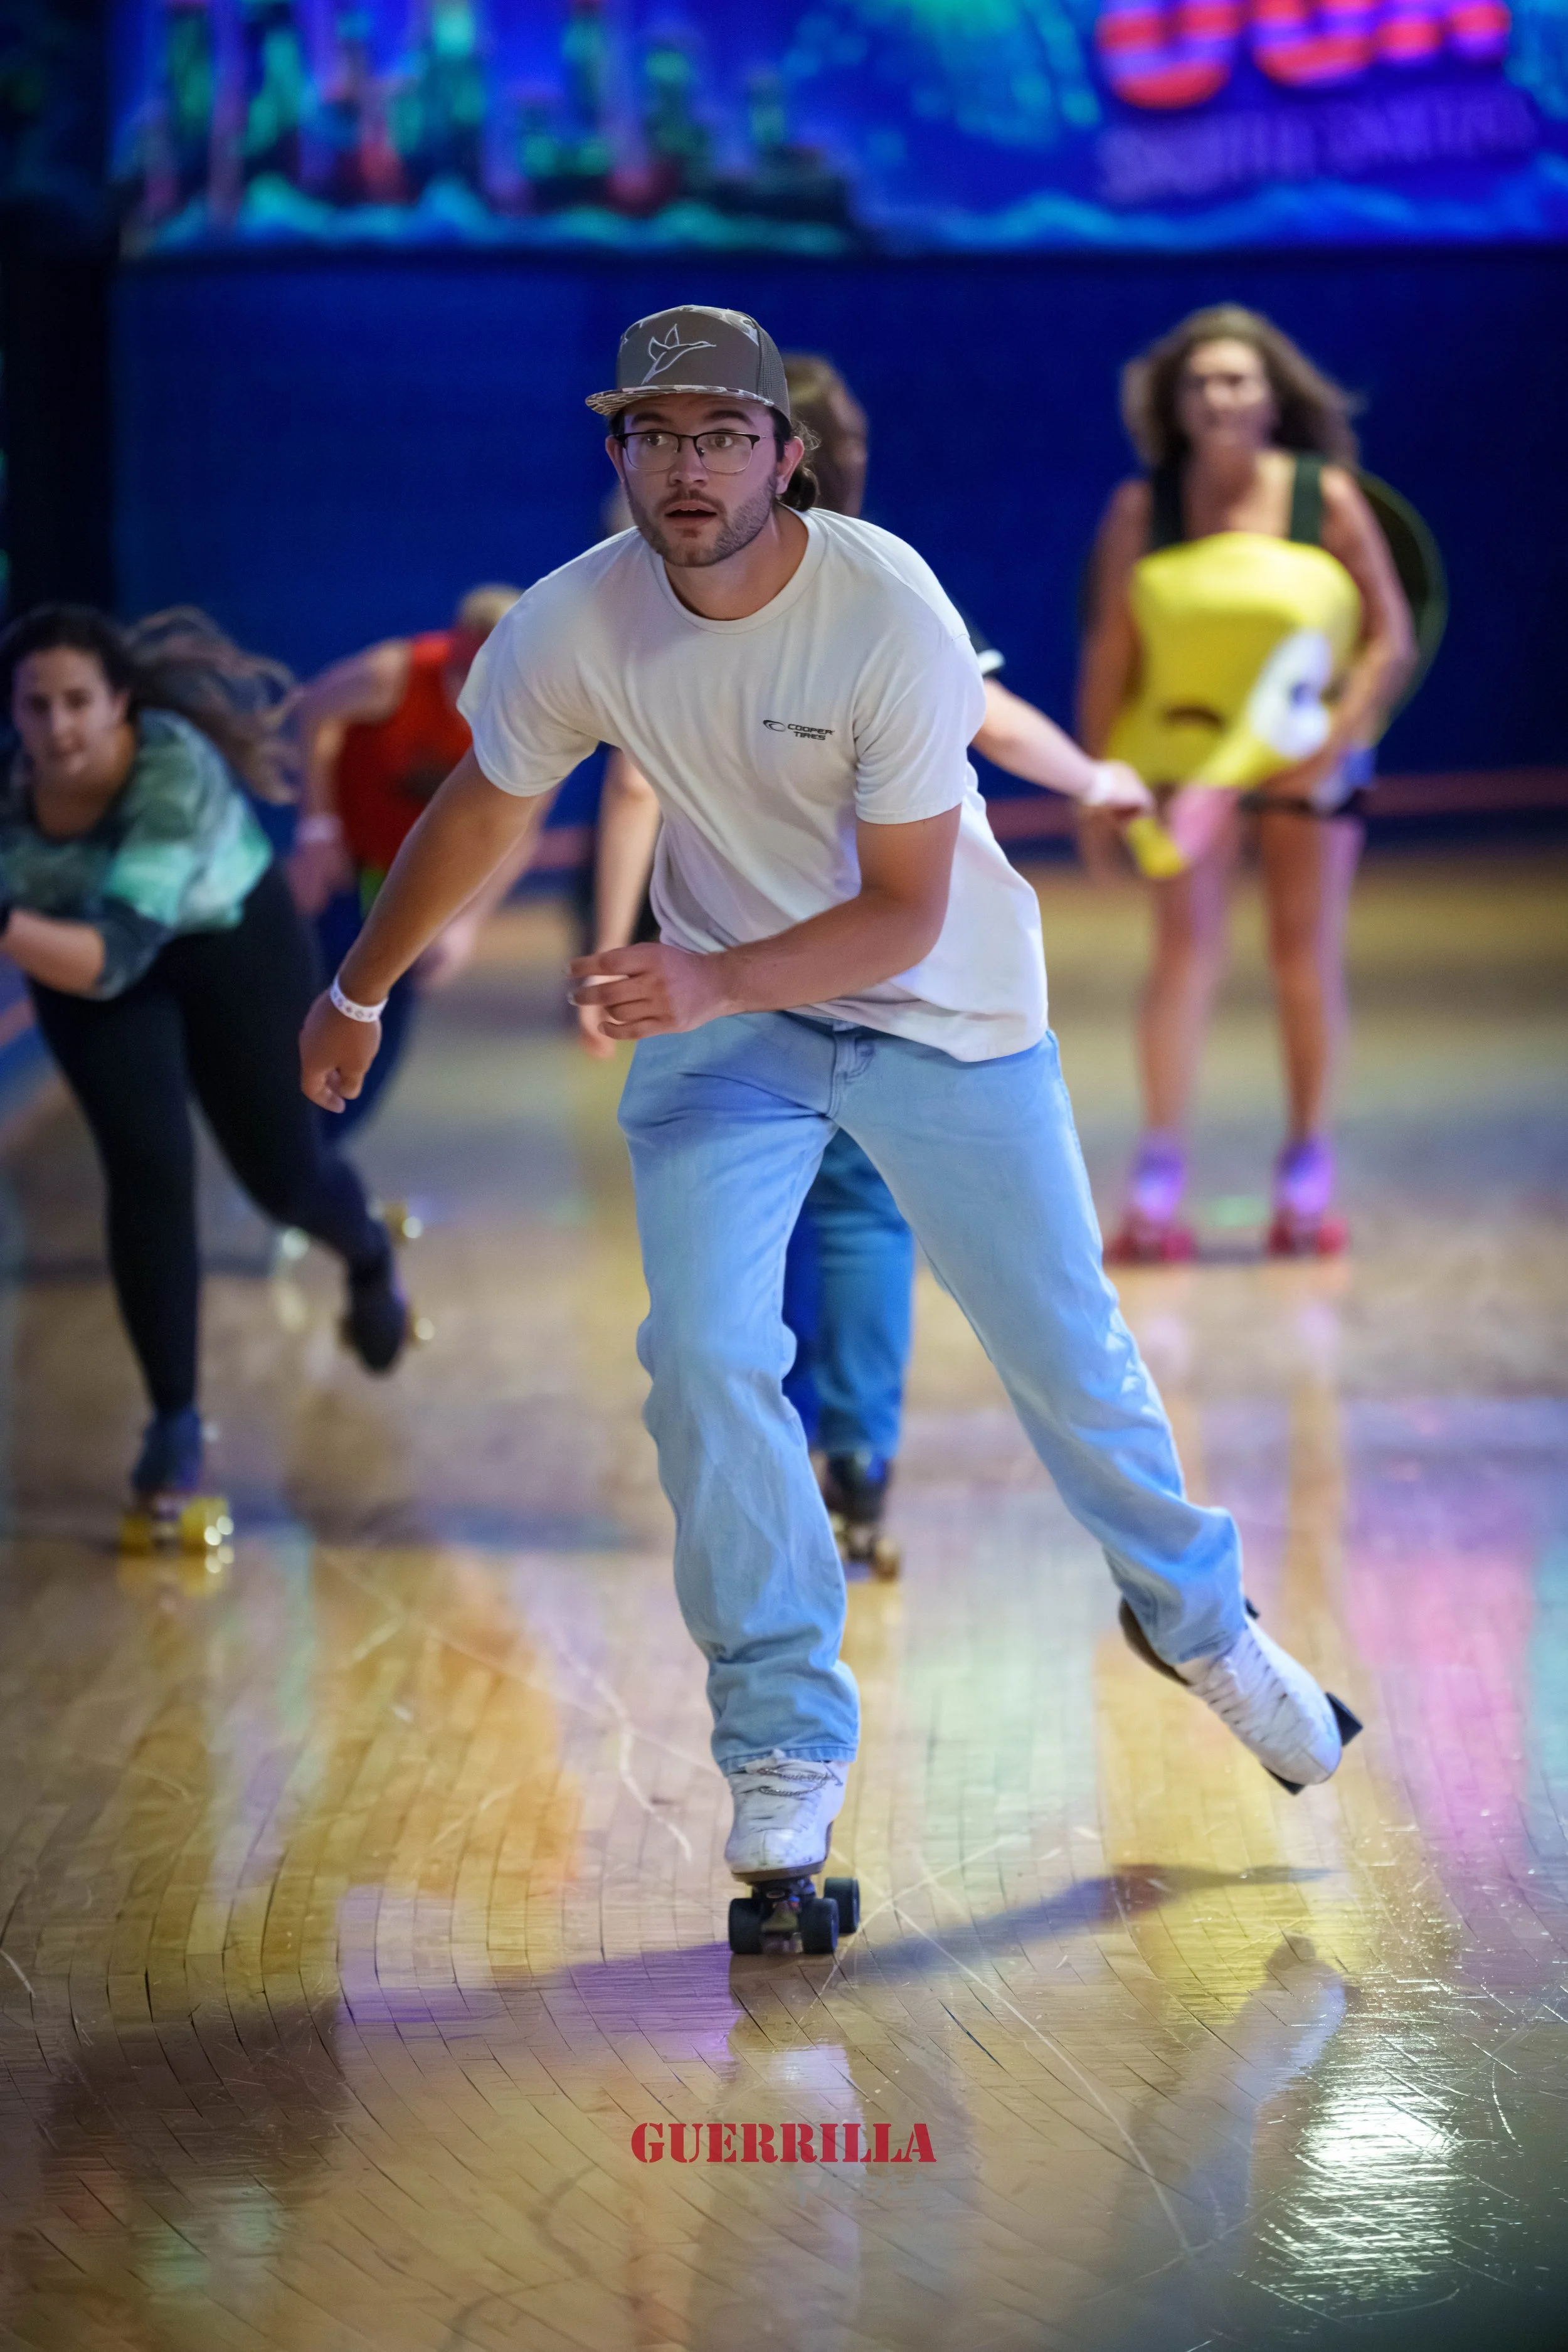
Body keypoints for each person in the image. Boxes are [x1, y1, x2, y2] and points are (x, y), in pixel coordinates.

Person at [300, 305, 1359, 1890]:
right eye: (656, 437)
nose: (688, 468)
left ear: (786, 459)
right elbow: (484, 802)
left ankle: (1203, 1627)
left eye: (723, 436)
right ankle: (781, 1736)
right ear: (618, 457)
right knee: (707, 1358)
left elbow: (906, 912)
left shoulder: (886, 608)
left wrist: (703, 977)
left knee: (1067, 1354)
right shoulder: (573, 620)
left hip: (945, 1012)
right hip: (736, 1031)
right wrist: (355, 984)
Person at [579, 349, 1152, 1570]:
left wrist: (619, 937)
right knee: (857, 1214)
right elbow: (991, 719)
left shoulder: (684, 602)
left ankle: (776, 1465)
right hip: (894, 981)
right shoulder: (889, 594)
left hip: (759, 966)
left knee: (755, 1215)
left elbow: (632, 782)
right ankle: (861, 1471)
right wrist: (1093, 774)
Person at [0, 605, 411, 1533]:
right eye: (36, 706)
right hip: (81, 960)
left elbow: (117, 951)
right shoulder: (10, 788)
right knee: (147, 1168)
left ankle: (368, 1253)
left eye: (79, 702)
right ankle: (174, 1420)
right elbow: (94, 969)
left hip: (228, 943)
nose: (59, 726)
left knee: (283, 1177)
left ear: (120, 705)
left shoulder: (172, 768)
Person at [1079, 307, 1415, 1262]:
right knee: (1185, 954)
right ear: (1174, 402)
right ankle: (1159, 1168)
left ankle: (1308, 1165)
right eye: (1200, 382)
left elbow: (1388, 634)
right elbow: (1113, 649)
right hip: (1184, 762)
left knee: (1303, 956)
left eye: (1237, 379)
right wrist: (1099, 777)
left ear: (1273, 396)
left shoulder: (1327, 497)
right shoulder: (1145, 509)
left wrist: (1338, 737)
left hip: (1312, 764)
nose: (1218, 397)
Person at [287, 584, 526, 1134]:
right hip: (350, 871)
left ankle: (319, 1166)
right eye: (472, 651)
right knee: (321, 1008)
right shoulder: (394, 675)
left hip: (422, 888)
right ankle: (301, 1165)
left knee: (384, 1045)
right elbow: (315, 708)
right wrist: (316, 827)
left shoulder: (525, 712)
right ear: (456, 641)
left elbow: (519, 833)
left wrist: (466, 925)